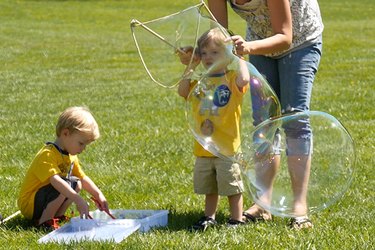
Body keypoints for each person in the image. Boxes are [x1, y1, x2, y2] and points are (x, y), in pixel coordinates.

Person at [207, 0, 324, 229]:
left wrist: (248, 48)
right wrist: (196, 54)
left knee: (295, 118)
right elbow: (218, 33)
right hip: (259, 40)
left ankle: (299, 206)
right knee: (264, 122)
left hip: (300, 39)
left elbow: (285, 35)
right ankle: (263, 203)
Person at [178, 27, 250, 231]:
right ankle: (209, 217)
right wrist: (191, 64)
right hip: (205, 147)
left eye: (215, 52)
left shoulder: (231, 78)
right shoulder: (200, 81)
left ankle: (237, 219)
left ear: (229, 55)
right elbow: (182, 90)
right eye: (204, 53)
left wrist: (242, 57)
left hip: (227, 148)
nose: (208, 57)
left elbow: (244, 80)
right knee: (210, 186)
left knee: (232, 185)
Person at [17, 106, 110, 231]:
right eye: (81, 143)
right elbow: (55, 181)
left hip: (44, 200)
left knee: (76, 183)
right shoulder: (47, 154)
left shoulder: (70, 156)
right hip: (30, 204)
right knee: (64, 183)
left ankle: (57, 216)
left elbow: (82, 178)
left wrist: (99, 195)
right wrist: (78, 200)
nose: (83, 148)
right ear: (65, 133)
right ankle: (44, 222)